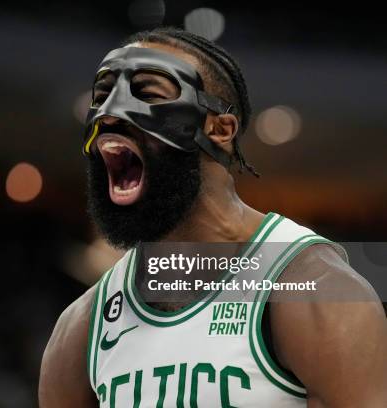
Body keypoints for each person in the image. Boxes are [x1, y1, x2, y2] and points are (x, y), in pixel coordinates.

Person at [39, 27, 387, 407]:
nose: (109, 112)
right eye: (102, 96)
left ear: (219, 129)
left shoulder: (313, 289)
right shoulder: (80, 329)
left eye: (149, 93)